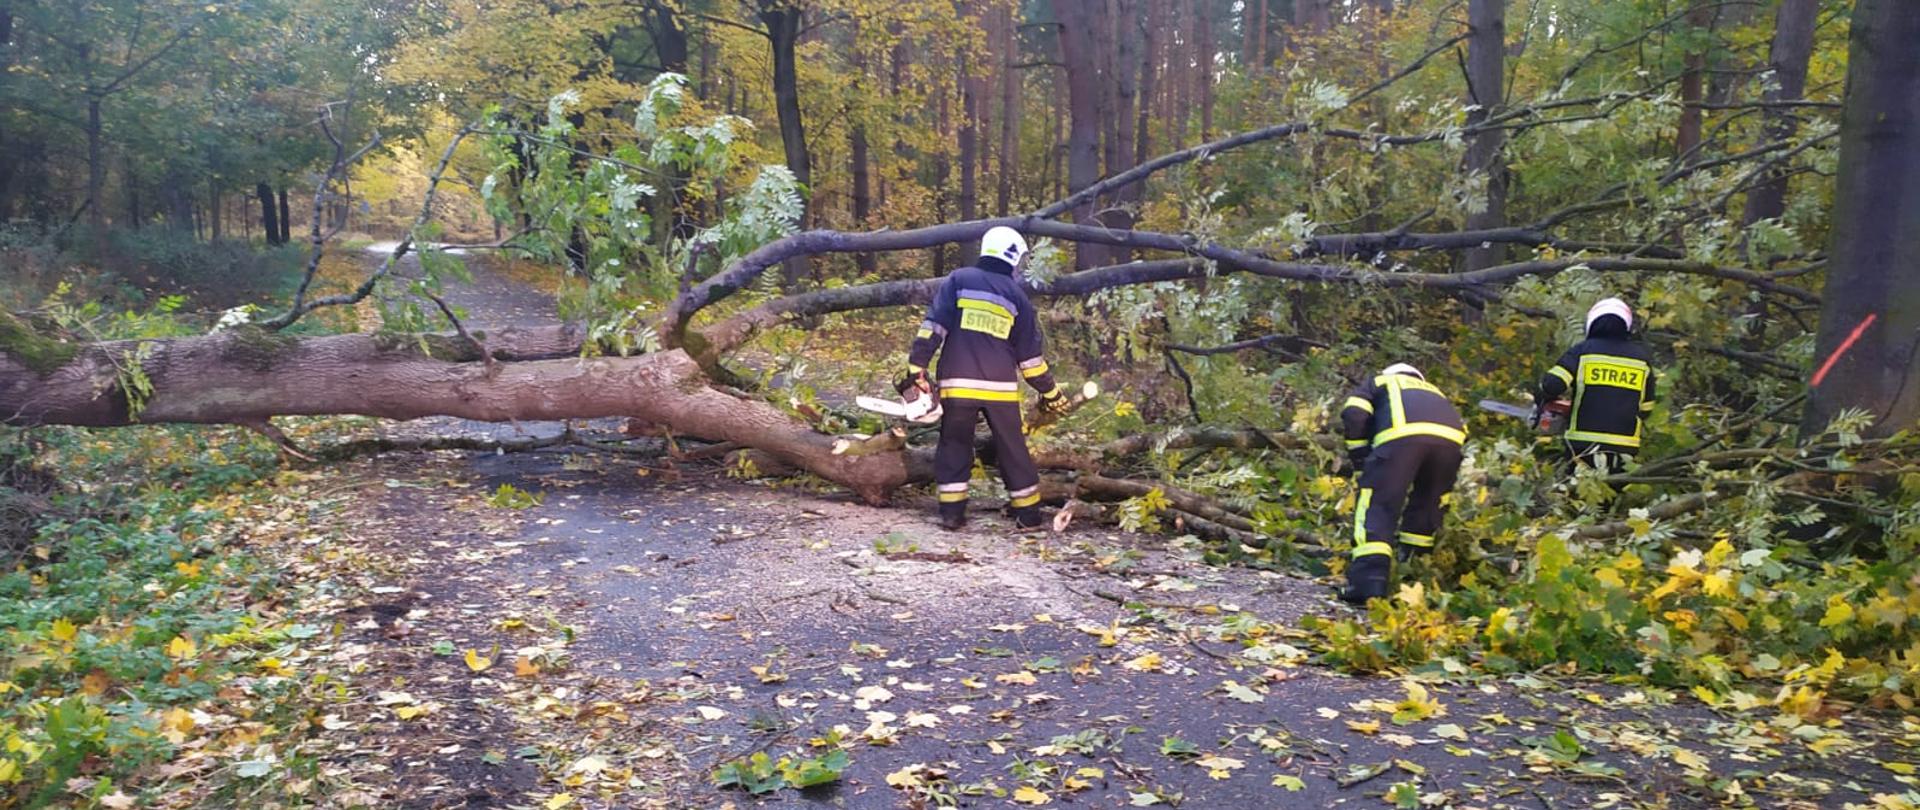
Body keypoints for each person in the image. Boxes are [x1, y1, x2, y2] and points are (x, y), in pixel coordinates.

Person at [901, 226, 1070, 531]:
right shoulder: (1017, 296)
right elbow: (1030, 361)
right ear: (1013, 256)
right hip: (1000, 388)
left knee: (954, 444)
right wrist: (1052, 393)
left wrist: (917, 366)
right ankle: (1029, 515)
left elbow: (933, 326)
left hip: (957, 383)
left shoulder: (959, 280)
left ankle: (952, 514)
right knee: (1012, 447)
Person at [1338, 363, 1467, 604]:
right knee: (1427, 506)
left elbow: (1354, 413)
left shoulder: (1379, 382)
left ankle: (1369, 582)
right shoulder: (1434, 391)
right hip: (1451, 444)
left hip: (1402, 437)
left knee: (1378, 503)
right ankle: (1413, 576)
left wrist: (1360, 456)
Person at [1536, 297, 1658, 473]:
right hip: (1624, 448)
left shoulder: (1583, 351)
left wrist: (1545, 398)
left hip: (1581, 445)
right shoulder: (1641, 359)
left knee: (1577, 496)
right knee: (1610, 497)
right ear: (1627, 325)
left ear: (1591, 322)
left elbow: (1553, 385)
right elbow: (1646, 408)